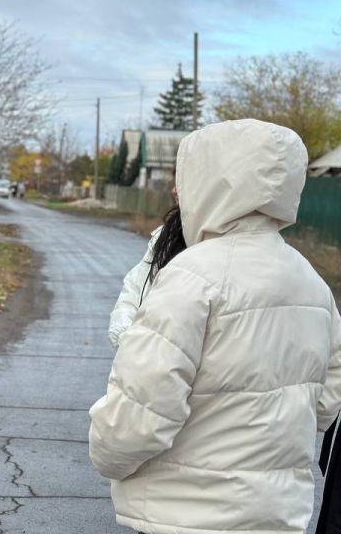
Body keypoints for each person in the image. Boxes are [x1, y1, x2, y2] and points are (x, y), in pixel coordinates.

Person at [89, 119, 341, 534]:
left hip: (185, 512)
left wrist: (106, 455)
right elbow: (326, 401)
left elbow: (139, 415)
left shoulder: (191, 277)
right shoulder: (311, 281)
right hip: (276, 514)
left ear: (211, 179)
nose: (178, 191)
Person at [107, 196, 187, 350]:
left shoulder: (210, 246)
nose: (174, 190)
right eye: (175, 177)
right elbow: (133, 292)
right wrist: (127, 339)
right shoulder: (166, 237)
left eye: (180, 176)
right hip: (143, 358)